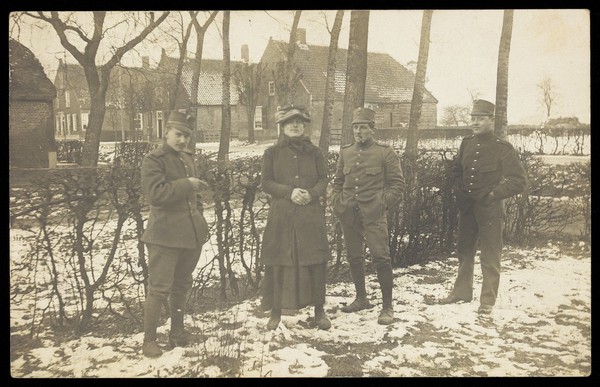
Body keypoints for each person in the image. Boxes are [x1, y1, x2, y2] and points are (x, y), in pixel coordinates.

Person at [438, 99, 527, 314]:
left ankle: (487, 300)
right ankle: (461, 292)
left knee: (490, 253)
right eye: (473, 118)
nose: (475, 123)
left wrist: (494, 194)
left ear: (491, 120)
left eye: (480, 119)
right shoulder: (466, 143)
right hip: (468, 207)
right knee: (464, 250)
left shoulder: (502, 148)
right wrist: (458, 188)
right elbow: (457, 170)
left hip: (490, 209)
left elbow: (518, 180)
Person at [139, 111, 209, 357]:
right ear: (166, 131)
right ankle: (149, 341)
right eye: (178, 135)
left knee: (181, 285)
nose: (182, 141)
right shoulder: (153, 160)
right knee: (158, 289)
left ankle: (177, 334)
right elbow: (156, 194)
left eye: (186, 137)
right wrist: (186, 184)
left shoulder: (187, 158)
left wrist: (199, 220)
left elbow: (196, 197)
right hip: (164, 237)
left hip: (190, 235)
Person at [260, 104, 332, 331]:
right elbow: (266, 182)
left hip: (310, 215)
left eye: (299, 122)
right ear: (282, 127)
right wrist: (289, 192)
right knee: (280, 262)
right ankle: (276, 312)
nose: (295, 125)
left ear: (304, 126)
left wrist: (311, 194)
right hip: (282, 216)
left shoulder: (315, 153)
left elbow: (323, 179)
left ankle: (319, 311)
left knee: (315, 262)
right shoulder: (271, 153)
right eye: (290, 122)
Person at [331, 107, 405, 325]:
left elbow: (397, 185)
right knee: (354, 256)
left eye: (363, 127)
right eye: (355, 127)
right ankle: (361, 298)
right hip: (348, 213)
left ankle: (387, 306)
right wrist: (337, 202)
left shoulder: (385, 152)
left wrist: (380, 204)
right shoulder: (346, 152)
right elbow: (337, 182)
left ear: (373, 129)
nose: (358, 131)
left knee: (381, 258)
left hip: (374, 215)